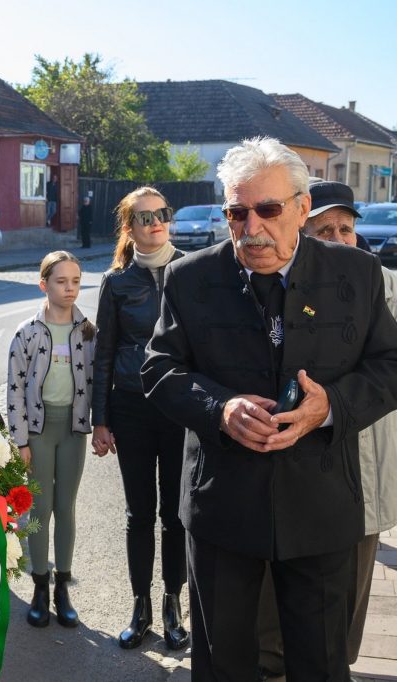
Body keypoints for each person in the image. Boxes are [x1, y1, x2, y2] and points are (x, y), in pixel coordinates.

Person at [140, 137, 397, 680]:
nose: (251, 228)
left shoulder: (356, 274)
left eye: (268, 210)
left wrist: (330, 407)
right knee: (223, 664)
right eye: (237, 212)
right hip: (222, 508)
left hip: (323, 506)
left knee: (321, 662)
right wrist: (221, 408)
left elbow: (389, 365)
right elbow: (159, 368)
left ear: (303, 209)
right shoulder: (190, 277)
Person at [257, 179, 397, 677]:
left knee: (341, 624)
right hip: (296, 482)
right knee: (275, 624)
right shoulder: (281, 287)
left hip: (366, 479)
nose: (338, 238)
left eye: (347, 228)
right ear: (302, 230)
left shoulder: (385, 285)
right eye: (325, 229)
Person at [91, 187, 189, 651]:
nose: (155, 223)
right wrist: (100, 418)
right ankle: (141, 605)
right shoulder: (116, 283)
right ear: (129, 229)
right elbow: (104, 353)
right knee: (138, 514)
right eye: (144, 217)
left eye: (162, 214)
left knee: (177, 514)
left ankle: (173, 604)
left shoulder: (193, 270)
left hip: (179, 407)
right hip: (130, 407)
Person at [7, 251, 95, 629]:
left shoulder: (88, 331)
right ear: (43, 284)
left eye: (75, 281)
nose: (70, 288)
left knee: (67, 507)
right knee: (39, 509)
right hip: (40, 431)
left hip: (72, 430)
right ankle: (39, 587)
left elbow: (98, 381)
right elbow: (13, 390)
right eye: (61, 282)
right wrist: (20, 439)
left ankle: (63, 587)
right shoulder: (27, 333)